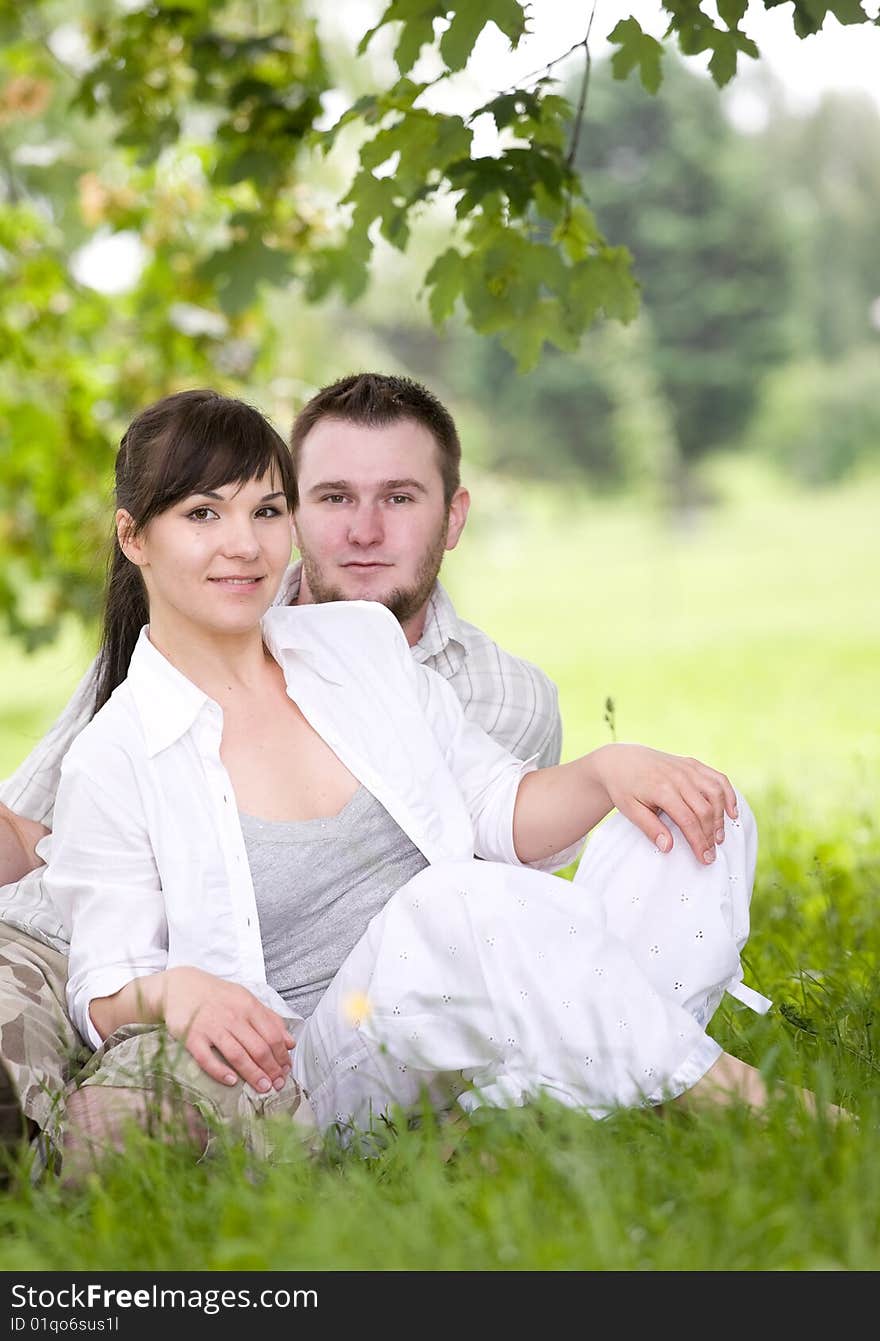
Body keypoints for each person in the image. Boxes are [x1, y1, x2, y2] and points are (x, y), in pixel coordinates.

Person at [37, 388, 796, 1176]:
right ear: (134, 537)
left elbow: (496, 809)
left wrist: (613, 769)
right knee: (456, 900)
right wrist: (175, 991)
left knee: (703, 816)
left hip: (461, 991)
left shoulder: (355, 644)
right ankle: (743, 1099)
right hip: (333, 1058)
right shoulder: (116, 755)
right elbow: (100, 987)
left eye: (266, 512)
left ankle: (537, 1099)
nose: (245, 545)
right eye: (203, 515)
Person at [0, 372, 562, 1158]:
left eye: (398, 497)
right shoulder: (147, 680)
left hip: (278, 1016)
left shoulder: (491, 695)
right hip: (57, 938)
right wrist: (151, 990)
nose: (363, 530)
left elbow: (498, 894)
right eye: (332, 497)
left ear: (452, 514)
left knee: (131, 1122)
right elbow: (32, 838)